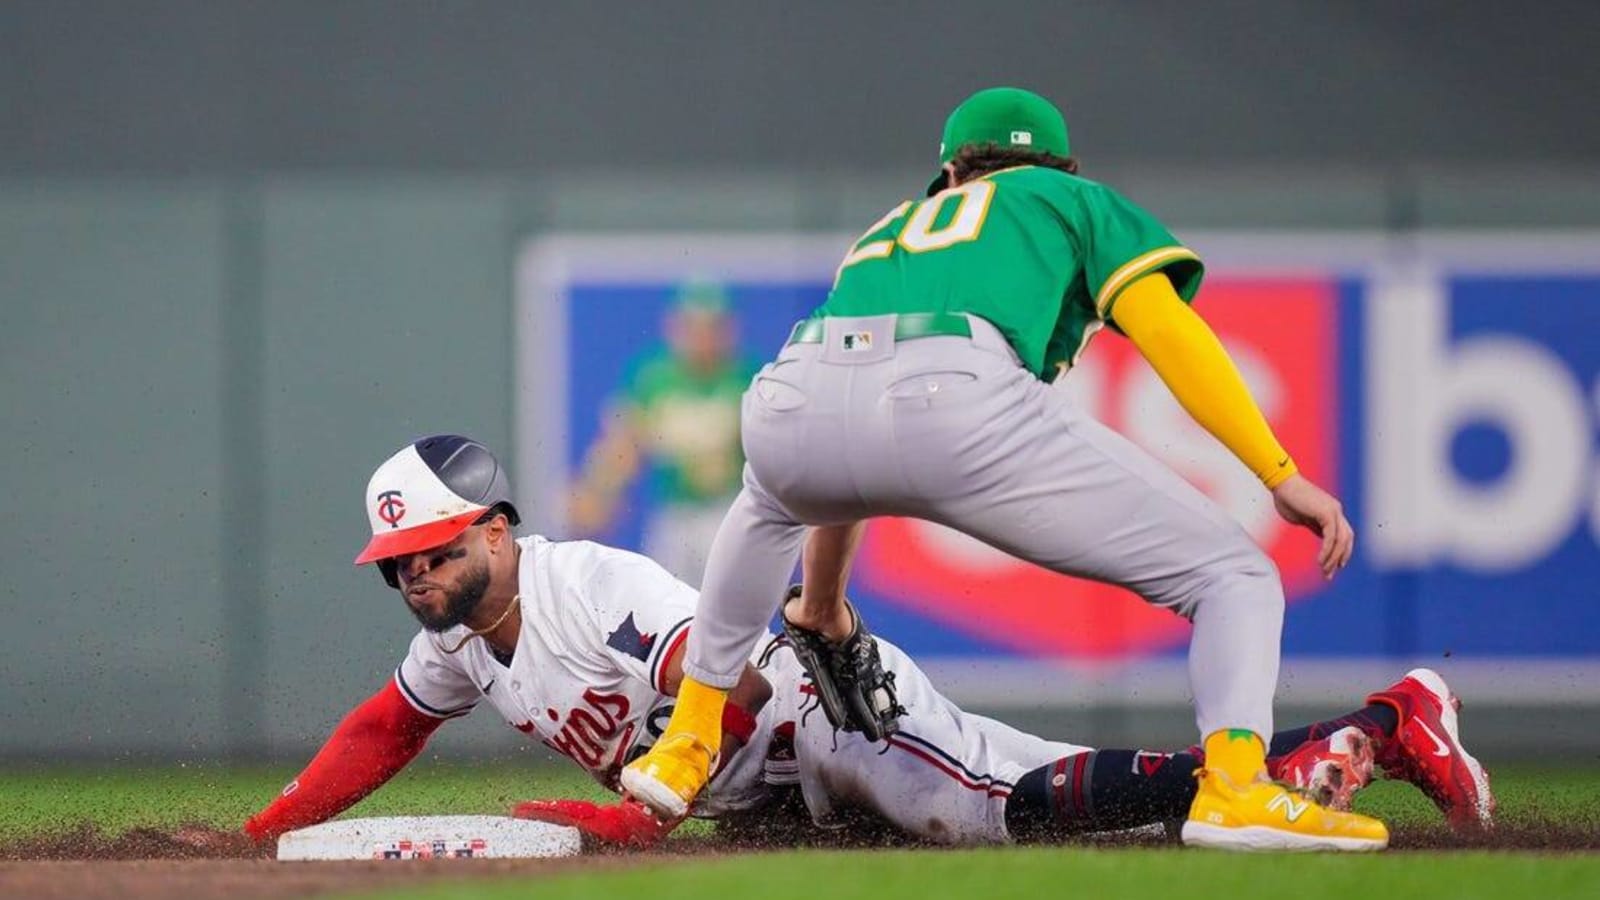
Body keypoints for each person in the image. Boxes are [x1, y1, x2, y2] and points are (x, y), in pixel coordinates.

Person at [624, 86, 1395, 851]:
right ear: (1061, 164)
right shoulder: (1068, 196)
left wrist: (823, 602)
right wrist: (1276, 471)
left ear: (953, 173)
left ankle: (688, 741)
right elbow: (1166, 326)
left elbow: (847, 440)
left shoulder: (889, 227)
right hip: (955, 389)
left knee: (767, 498)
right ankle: (1234, 787)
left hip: (794, 387)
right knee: (1236, 575)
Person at [225, 436, 1491, 851]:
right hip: (772, 802)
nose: (418, 580)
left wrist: (636, 812)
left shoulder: (581, 585)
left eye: (437, 551)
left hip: (834, 720)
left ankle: (1377, 724)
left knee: (1024, 808)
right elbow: (384, 726)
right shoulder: (462, 640)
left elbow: (707, 682)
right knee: (1098, 819)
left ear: (497, 530)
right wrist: (271, 829)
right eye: (400, 566)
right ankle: (1367, 735)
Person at [567, 280, 757, 586]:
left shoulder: (746, 378)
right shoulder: (655, 380)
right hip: (674, 516)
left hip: (729, 512)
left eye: (711, 326)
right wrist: (597, 490)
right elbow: (623, 444)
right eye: (693, 325)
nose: (702, 336)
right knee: (665, 609)